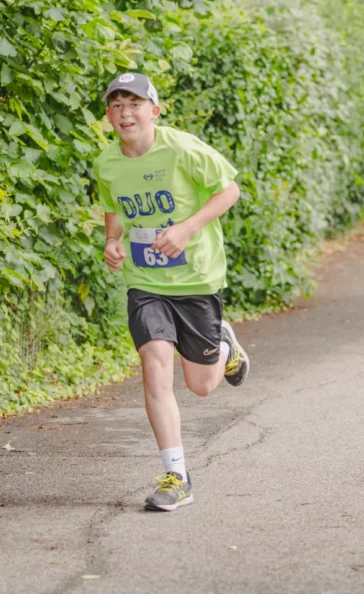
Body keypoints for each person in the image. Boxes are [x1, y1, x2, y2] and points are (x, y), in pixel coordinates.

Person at [94, 72, 251, 512]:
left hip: (196, 279)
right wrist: (111, 241)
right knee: (154, 361)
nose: (126, 113)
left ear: (154, 110)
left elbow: (229, 190)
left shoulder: (182, 148)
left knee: (201, 386)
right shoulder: (107, 162)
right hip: (146, 283)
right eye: (117, 105)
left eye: (135, 104)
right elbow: (114, 206)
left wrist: (186, 227)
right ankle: (176, 474)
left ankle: (223, 343)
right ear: (108, 114)